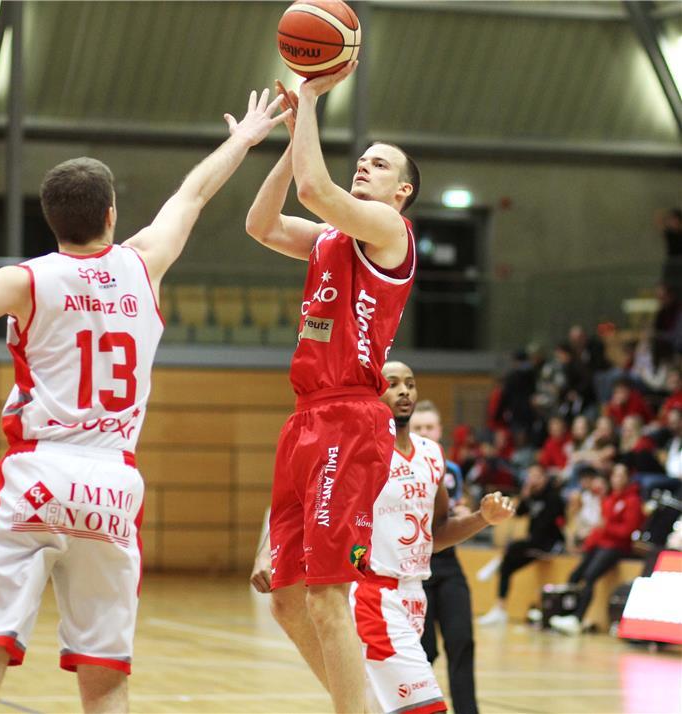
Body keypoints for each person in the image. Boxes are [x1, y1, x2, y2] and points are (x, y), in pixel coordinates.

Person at [0, 89, 290, 714]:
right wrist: (243, 138)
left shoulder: (26, 280)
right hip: (113, 484)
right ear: (112, 214)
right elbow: (192, 194)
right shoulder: (144, 264)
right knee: (105, 675)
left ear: (51, 219)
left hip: (38, 472)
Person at [245, 62, 421, 712]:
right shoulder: (327, 238)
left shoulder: (389, 233)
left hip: (350, 419)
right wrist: (295, 137)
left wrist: (312, 99)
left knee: (324, 595)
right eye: (364, 160)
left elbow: (316, 190)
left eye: (379, 165)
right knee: (287, 599)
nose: (364, 166)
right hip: (304, 420)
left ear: (401, 193)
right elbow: (261, 225)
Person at [251, 362, 515, 714]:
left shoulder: (432, 455)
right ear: (373, 394)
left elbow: (434, 535)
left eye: (410, 383)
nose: (404, 391)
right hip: (372, 594)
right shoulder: (354, 450)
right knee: (424, 707)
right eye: (392, 384)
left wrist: (483, 518)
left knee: (377, 708)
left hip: (413, 595)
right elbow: (300, 505)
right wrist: (267, 553)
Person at [410, 400, 480, 714]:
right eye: (418, 427)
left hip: (449, 564)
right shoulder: (400, 466)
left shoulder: (450, 469)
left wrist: (467, 514)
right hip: (414, 567)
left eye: (429, 427)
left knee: (462, 640)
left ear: (439, 431)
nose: (425, 432)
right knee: (423, 651)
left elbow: (453, 511)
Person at [549, 463, 644, 635]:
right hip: (600, 545)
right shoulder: (609, 500)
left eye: (621, 476)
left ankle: (577, 619)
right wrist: (587, 545)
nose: (617, 479)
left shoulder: (632, 501)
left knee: (589, 576)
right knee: (574, 575)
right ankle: (565, 614)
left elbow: (627, 531)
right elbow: (599, 529)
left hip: (617, 546)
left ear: (628, 479)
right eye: (614, 475)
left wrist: (606, 527)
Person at [477, 463, 565, 626]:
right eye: (530, 476)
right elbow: (520, 513)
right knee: (507, 567)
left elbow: (549, 525)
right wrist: (525, 496)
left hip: (550, 542)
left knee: (514, 546)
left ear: (544, 478)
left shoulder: (553, 497)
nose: (532, 480)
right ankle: (500, 609)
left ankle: (498, 560)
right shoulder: (532, 495)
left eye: (536, 476)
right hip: (532, 544)